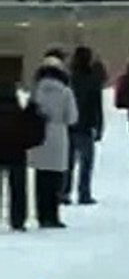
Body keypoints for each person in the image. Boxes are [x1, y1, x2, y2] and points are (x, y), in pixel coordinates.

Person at [27, 55, 77, 229]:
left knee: (40, 179)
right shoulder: (65, 91)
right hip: (58, 136)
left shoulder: (36, 90)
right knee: (55, 179)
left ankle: (41, 215)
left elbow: (30, 111)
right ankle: (52, 215)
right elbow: (72, 117)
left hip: (38, 135)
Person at [64, 46, 104, 205]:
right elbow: (97, 105)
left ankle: (64, 192)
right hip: (86, 125)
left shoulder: (68, 78)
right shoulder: (92, 79)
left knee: (68, 162)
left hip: (69, 125)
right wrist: (99, 126)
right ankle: (84, 193)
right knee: (86, 163)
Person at [0, 81, 42, 231]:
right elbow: (31, 133)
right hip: (17, 154)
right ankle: (18, 220)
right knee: (18, 189)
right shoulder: (20, 113)